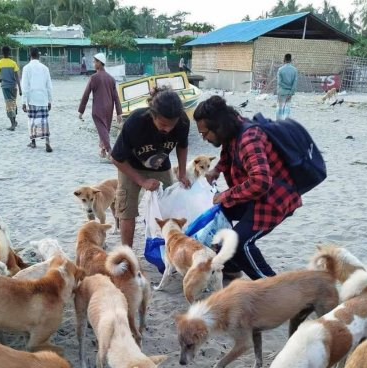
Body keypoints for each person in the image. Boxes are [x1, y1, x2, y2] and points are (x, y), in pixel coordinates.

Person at [193, 95, 302, 279]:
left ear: (218, 126)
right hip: (253, 195)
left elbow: (260, 182)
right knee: (219, 214)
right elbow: (228, 152)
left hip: (273, 200)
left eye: (205, 133)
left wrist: (226, 195)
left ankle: (274, 289)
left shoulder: (249, 139)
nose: (203, 138)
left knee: (237, 242)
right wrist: (216, 170)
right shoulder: (232, 128)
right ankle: (232, 267)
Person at [110, 88, 190, 247]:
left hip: (161, 166)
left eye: (171, 125)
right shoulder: (135, 122)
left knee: (169, 207)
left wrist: (182, 173)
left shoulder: (182, 122)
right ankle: (128, 253)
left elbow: (182, 145)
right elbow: (116, 158)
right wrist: (141, 181)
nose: (167, 129)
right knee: (127, 210)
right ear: (152, 115)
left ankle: (169, 249)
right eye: (162, 124)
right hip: (130, 166)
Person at [78, 52, 122, 159]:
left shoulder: (94, 77)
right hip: (109, 108)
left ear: (100, 63)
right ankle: (102, 150)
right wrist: (119, 112)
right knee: (105, 129)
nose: (93, 63)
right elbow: (116, 97)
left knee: (102, 130)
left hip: (98, 109)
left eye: (94, 62)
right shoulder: (111, 78)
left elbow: (86, 94)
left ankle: (109, 150)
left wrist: (81, 111)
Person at [21, 48, 54, 152]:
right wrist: (50, 100)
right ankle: (47, 142)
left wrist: (23, 102)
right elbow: (49, 85)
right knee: (44, 120)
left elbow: (24, 86)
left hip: (32, 98)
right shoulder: (45, 68)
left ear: (30, 55)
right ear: (38, 56)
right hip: (43, 98)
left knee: (32, 121)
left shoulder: (26, 68)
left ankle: (33, 142)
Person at [0, 46, 22, 131]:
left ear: (2, 53)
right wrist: (20, 89)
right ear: (10, 53)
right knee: (13, 103)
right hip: (13, 86)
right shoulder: (13, 63)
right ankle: (15, 121)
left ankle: (13, 124)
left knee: (9, 104)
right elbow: (17, 77)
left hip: (5, 86)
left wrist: (1, 81)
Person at [276, 53, 298, 120]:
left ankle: (278, 124)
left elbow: (279, 82)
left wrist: (285, 87)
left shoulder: (280, 69)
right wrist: (290, 92)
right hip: (289, 93)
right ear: (291, 60)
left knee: (280, 107)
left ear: (284, 60)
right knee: (287, 108)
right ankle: (286, 123)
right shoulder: (295, 70)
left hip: (281, 92)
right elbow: (295, 83)